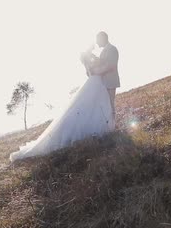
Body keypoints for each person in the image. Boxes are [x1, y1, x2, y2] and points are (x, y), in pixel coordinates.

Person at [9, 32, 120, 161]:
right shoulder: (93, 56)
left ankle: (110, 127)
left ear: (103, 38)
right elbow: (95, 69)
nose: (96, 43)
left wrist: (96, 69)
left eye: (98, 40)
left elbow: (110, 66)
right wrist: (95, 70)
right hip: (97, 82)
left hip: (105, 82)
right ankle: (109, 128)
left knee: (107, 105)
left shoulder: (110, 49)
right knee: (103, 106)